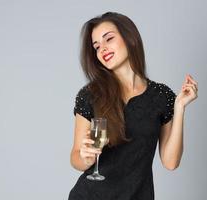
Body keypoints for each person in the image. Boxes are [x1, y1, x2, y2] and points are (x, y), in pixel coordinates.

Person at [68, 11, 198, 200]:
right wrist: (85, 157)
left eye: (108, 39)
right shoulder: (90, 95)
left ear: (129, 37)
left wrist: (179, 108)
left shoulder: (161, 96)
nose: (102, 49)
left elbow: (170, 162)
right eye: (96, 46)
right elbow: (75, 158)